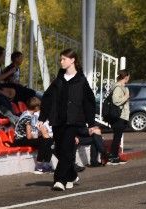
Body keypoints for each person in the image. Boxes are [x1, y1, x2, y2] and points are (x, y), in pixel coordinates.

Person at [39, 48, 100, 191]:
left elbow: (89, 103)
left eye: (64, 59)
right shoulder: (58, 80)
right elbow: (47, 98)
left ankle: (59, 180)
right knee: (59, 150)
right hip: (57, 120)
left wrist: (91, 123)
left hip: (73, 121)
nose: (61, 61)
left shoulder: (81, 81)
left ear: (72, 60)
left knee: (66, 149)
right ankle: (71, 174)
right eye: (61, 59)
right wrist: (43, 117)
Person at [11, 95, 52, 171]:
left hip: (22, 138)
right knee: (46, 140)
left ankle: (45, 163)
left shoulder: (26, 113)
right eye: (39, 106)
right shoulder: (28, 117)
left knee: (47, 139)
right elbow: (29, 136)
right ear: (36, 107)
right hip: (20, 140)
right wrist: (39, 135)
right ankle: (40, 165)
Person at [106, 70, 130, 163]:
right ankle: (113, 157)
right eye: (128, 77)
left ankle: (114, 156)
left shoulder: (122, 87)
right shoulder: (118, 88)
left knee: (118, 136)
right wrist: (126, 96)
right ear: (126, 77)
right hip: (118, 116)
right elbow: (116, 101)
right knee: (117, 136)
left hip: (122, 116)